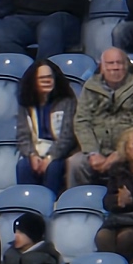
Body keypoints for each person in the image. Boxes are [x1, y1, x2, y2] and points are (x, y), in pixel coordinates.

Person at [71, 40, 133, 189]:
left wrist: (119, 153)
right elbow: (82, 121)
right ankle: (82, 203)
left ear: (126, 65)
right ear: (102, 67)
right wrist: (93, 152)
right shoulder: (90, 88)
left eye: (119, 63)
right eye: (110, 63)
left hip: (127, 150)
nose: (115, 67)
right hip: (97, 149)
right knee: (75, 163)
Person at [15, 54, 81, 188]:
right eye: (42, 78)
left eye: (49, 77)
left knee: (54, 168)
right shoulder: (25, 105)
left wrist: (51, 157)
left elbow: (67, 136)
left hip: (60, 152)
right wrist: (32, 155)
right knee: (23, 166)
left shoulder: (67, 102)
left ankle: (51, 204)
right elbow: (23, 136)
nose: (47, 81)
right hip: (36, 150)